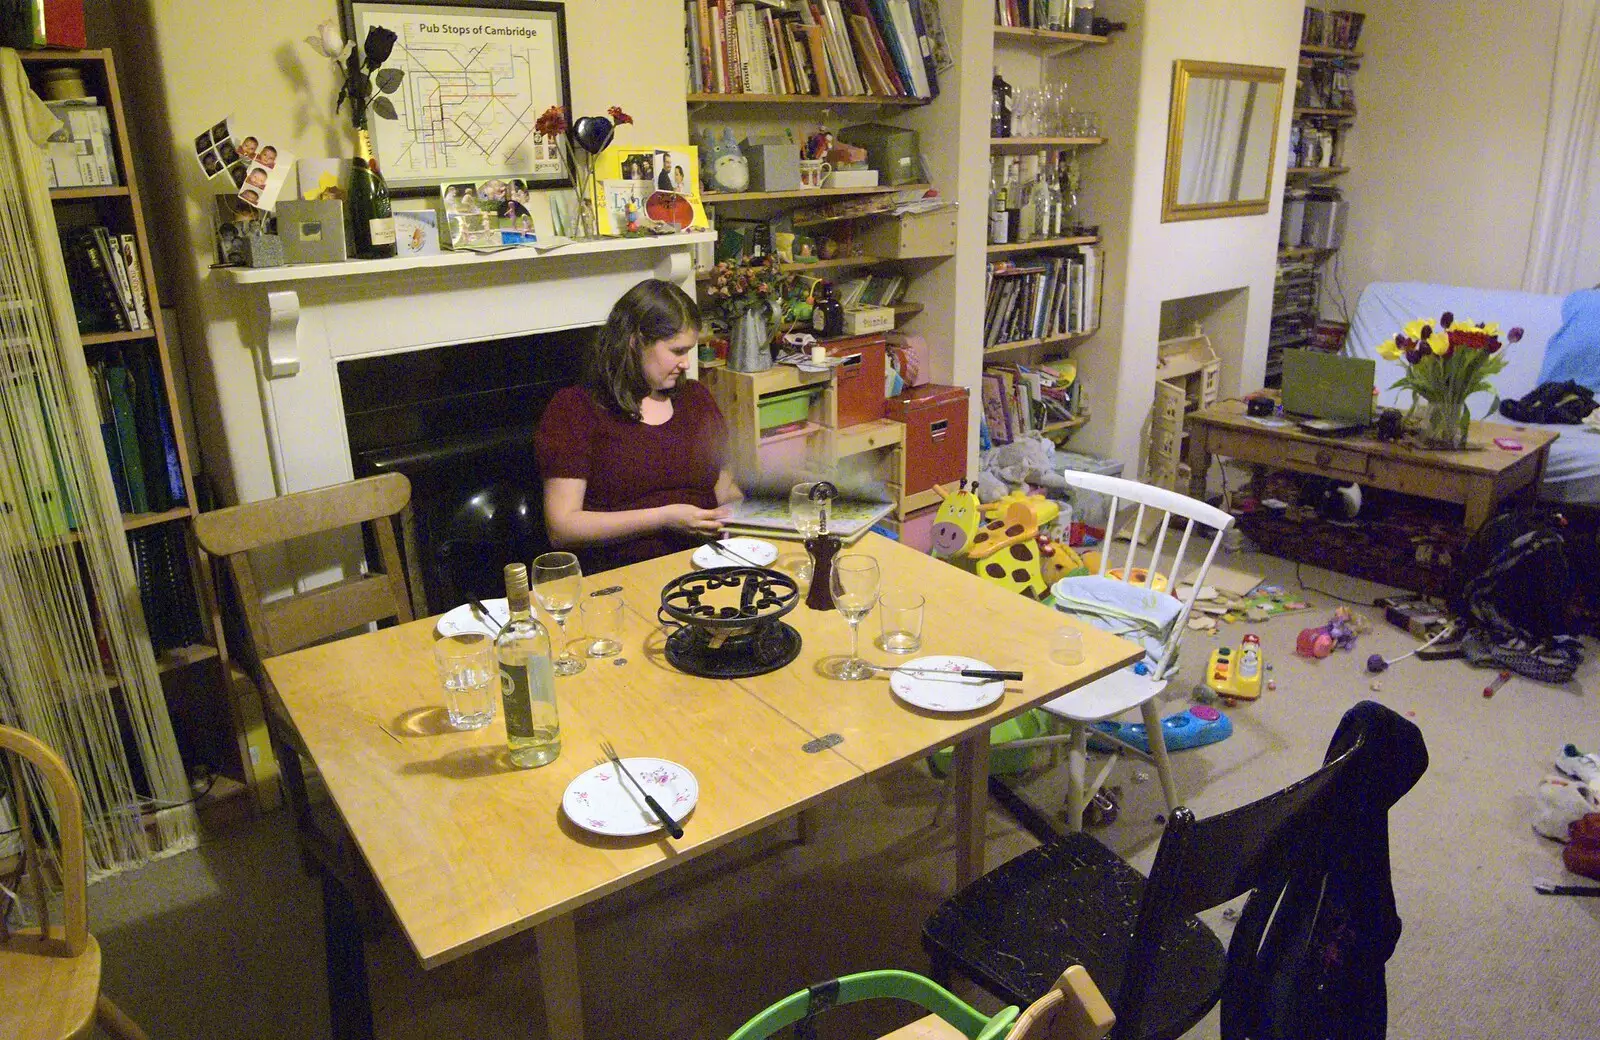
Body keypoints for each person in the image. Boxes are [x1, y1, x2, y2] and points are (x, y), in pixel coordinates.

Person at [536, 279, 740, 572]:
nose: (685, 363)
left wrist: (730, 515)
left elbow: (724, 483)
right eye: (677, 351)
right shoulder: (576, 409)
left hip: (705, 563)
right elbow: (563, 527)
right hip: (623, 572)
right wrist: (664, 518)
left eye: (689, 351)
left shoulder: (695, 399)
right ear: (635, 342)